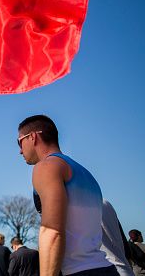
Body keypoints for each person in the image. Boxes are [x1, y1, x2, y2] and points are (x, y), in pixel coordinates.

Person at [16, 115, 116, 276]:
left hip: (78, 271)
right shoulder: (84, 172)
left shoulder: (46, 167)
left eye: (19, 142)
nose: (20, 150)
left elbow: (52, 231)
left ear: (33, 137)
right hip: (105, 267)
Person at [100, 200, 133, 276]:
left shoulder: (79, 204)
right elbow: (123, 239)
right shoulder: (105, 202)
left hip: (104, 268)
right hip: (123, 268)